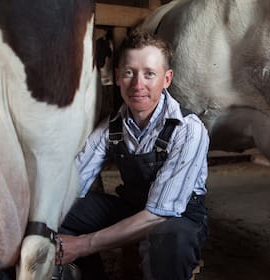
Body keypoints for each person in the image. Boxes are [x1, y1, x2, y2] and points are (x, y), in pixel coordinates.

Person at [56, 29, 209, 280]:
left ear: (167, 79)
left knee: (171, 239)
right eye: (129, 73)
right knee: (58, 213)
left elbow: (160, 213)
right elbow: (73, 185)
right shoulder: (113, 127)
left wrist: (82, 244)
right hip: (134, 206)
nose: (138, 85)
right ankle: (85, 274)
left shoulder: (188, 129)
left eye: (149, 74)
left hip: (176, 216)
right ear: (117, 77)